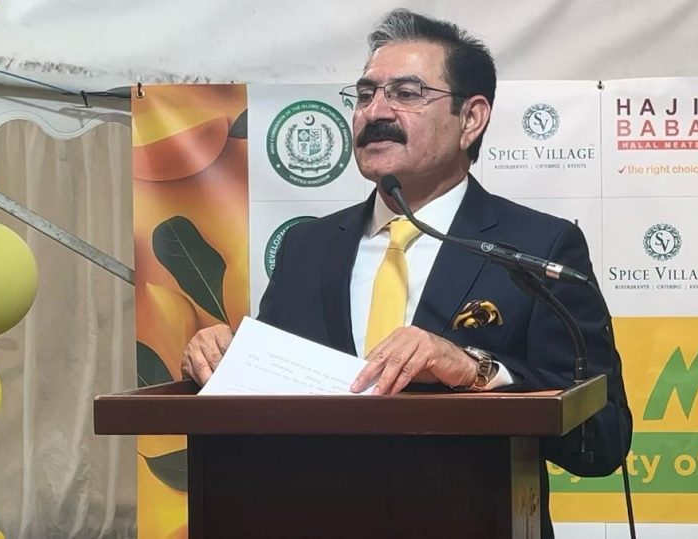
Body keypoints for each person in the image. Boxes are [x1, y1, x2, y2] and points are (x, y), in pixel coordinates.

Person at [181, 8, 632, 536]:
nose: (376, 111)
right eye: (365, 94)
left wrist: (475, 371)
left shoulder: (536, 247)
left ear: (471, 119)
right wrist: (222, 357)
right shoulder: (307, 247)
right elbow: (274, 395)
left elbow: (602, 440)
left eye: (407, 93)